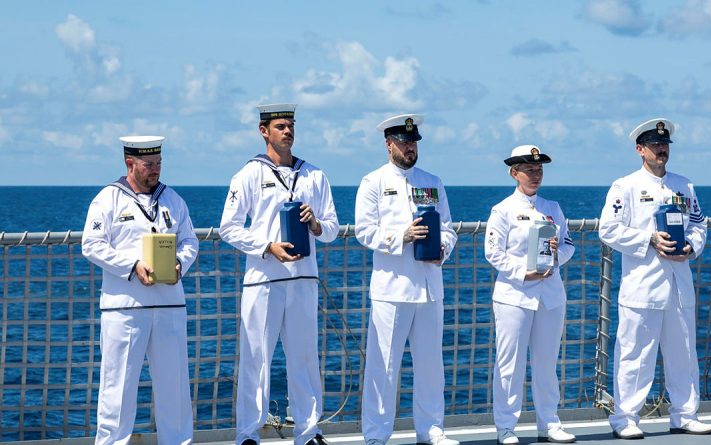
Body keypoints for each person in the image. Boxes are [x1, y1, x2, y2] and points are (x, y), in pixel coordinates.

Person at [219, 103, 339, 445]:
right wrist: (266, 246)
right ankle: (247, 434)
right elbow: (228, 228)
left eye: (291, 126)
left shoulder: (315, 175)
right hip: (264, 280)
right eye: (281, 126)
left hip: (303, 280)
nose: (288, 132)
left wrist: (315, 223)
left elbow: (331, 228)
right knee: (256, 359)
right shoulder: (248, 175)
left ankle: (308, 431)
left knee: (304, 359)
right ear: (264, 131)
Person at [599, 118, 711, 439]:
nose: (661, 149)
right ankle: (625, 418)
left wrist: (691, 246)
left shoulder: (684, 185)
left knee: (684, 355)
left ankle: (685, 414)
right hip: (642, 286)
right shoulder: (625, 186)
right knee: (634, 355)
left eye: (664, 145)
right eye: (653, 145)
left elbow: (698, 224)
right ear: (640, 150)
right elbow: (607, 229)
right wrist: (648, 239)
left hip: (679, 285)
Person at [82, 135, 198, 445]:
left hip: (169, 307)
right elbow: (91, 245)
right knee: (117, 389)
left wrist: (179, 265)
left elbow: (190, 242)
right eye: (149, 165)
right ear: (129, 163)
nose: (155, 170)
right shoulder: (108, 199)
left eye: (159, 164)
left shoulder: (173, 199)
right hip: (125, 308)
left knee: (175, 388)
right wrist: (132, 266)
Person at [355, 114, 459, 445]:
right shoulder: (373, 182)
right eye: (404, 142)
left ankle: (431, 431)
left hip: (429, 287)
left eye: (413, 142)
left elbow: (449, 228)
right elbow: (364, 231)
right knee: (382, 368)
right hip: (392, 289)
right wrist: (400, 235)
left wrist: (442, 248)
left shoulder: (433, 181)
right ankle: (376, 436)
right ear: (389, 144)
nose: (410, 148)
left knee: (431, 368)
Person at [484, 145, 577, 444]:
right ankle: (506, 426)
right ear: (514, 173)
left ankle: (549, 422)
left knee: (547, 363)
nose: (535, 174)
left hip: (550, 294)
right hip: (515, 296)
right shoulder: (502, 210)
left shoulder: (553, 208)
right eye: (529, 170)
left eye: (539, 170)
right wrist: (523, 271)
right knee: (509, 365)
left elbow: (568, 245)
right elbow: (493, 253)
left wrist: (555, 259)